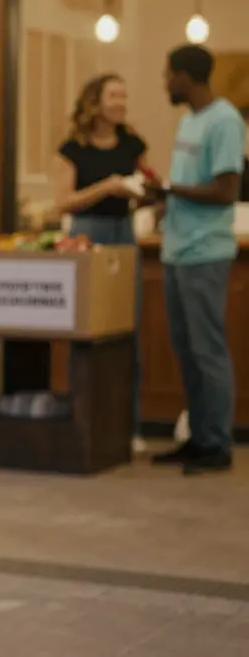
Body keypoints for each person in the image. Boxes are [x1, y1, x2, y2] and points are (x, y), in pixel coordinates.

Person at [147, 45, 244, 475]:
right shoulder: (188, 121)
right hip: (176, 248)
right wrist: (164, 202)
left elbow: (226, 191)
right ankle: (197, 437)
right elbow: (190, 183)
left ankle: (218, 444)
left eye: (168, 74)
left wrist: (171, 190)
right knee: (186, 351)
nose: (165, 83)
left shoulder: (225, 120)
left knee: (208, 351)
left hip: (205, 251)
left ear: (186, 77)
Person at [50, 74, 150, 453]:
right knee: (88, 329)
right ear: (95, 101)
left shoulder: (133, 144)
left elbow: (147, 184)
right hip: (87, 234)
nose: (121, 102)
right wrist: (106, 187)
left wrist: (146, 193)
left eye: (124, 95)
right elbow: (63, 202)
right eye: (113, 95)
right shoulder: (72, 148)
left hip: (124, 232)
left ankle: (129, 426)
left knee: (127, 329)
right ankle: (84, 421)